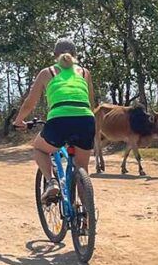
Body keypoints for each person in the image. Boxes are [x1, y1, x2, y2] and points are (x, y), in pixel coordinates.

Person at [13, 38, 97, 203]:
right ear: (75, 55)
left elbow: (30, 103)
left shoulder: (47, 72)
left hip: (59, 119)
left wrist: (19, 120)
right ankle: (88, 218)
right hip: (86, 119)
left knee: (40, 149)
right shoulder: (84, 72)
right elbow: (91, 102)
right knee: (82, 168)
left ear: (54, 55)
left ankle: (51, 182)